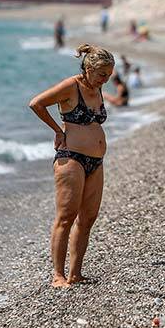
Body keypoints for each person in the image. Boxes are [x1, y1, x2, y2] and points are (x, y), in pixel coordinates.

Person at [28, 44, 114, 287]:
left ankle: (75, 273)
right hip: (71, 158)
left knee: (88, 218)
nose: (106, 80)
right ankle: (58, 275)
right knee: (66, 217)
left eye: (109, 75)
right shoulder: (71, 85)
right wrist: (57, 130)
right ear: (88, 69)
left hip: (96, 161)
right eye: (102, 74)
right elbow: (36, 103)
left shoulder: (96, 87)